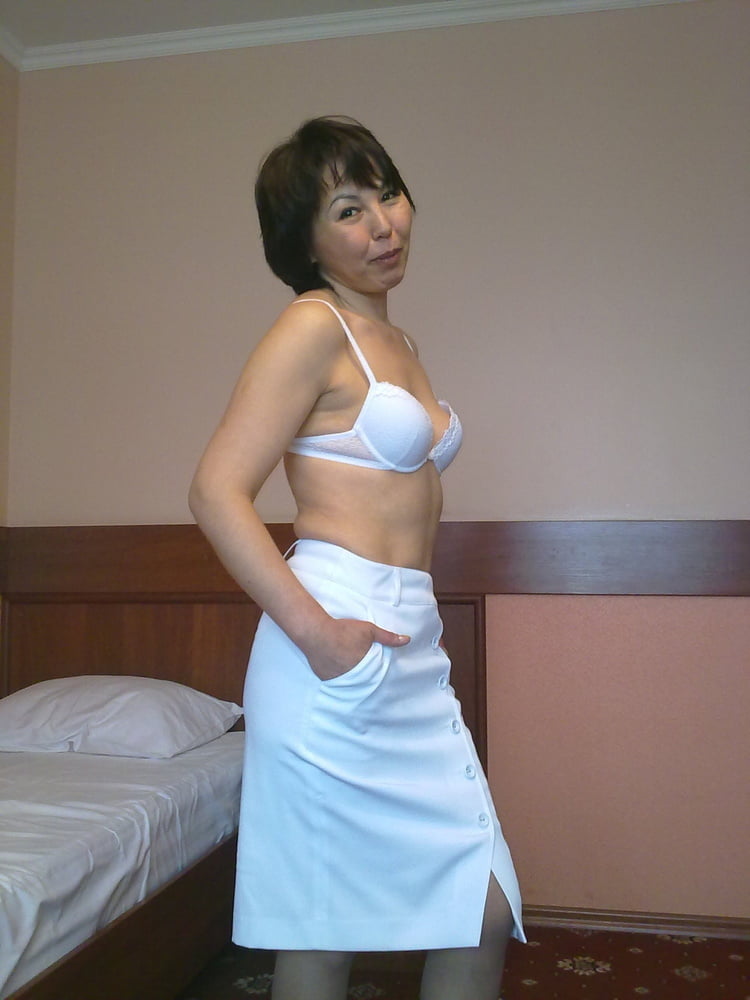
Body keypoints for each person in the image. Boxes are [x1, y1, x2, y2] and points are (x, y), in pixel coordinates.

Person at [189, 116, 524, 1000]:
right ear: (305, 242)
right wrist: (317, 634)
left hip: (410, 644)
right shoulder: (312, 326)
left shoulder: (400, 344)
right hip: (332, 643)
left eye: (389, 194)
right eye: (349, 209)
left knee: (481, 908)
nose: (384, 223)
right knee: (324, 929)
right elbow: (216, 491)